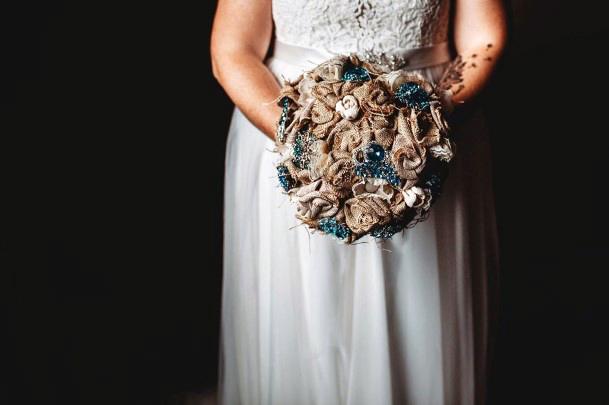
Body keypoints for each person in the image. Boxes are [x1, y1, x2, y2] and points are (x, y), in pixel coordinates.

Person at [211, 0, 507, 403]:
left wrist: (422, 127)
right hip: (287, 127)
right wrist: (308, 144)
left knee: (417, 321)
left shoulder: (425, 129)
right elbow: (233, 49)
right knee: (303, 321)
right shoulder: (298, 138)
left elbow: (483, 38)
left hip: (425, 136)